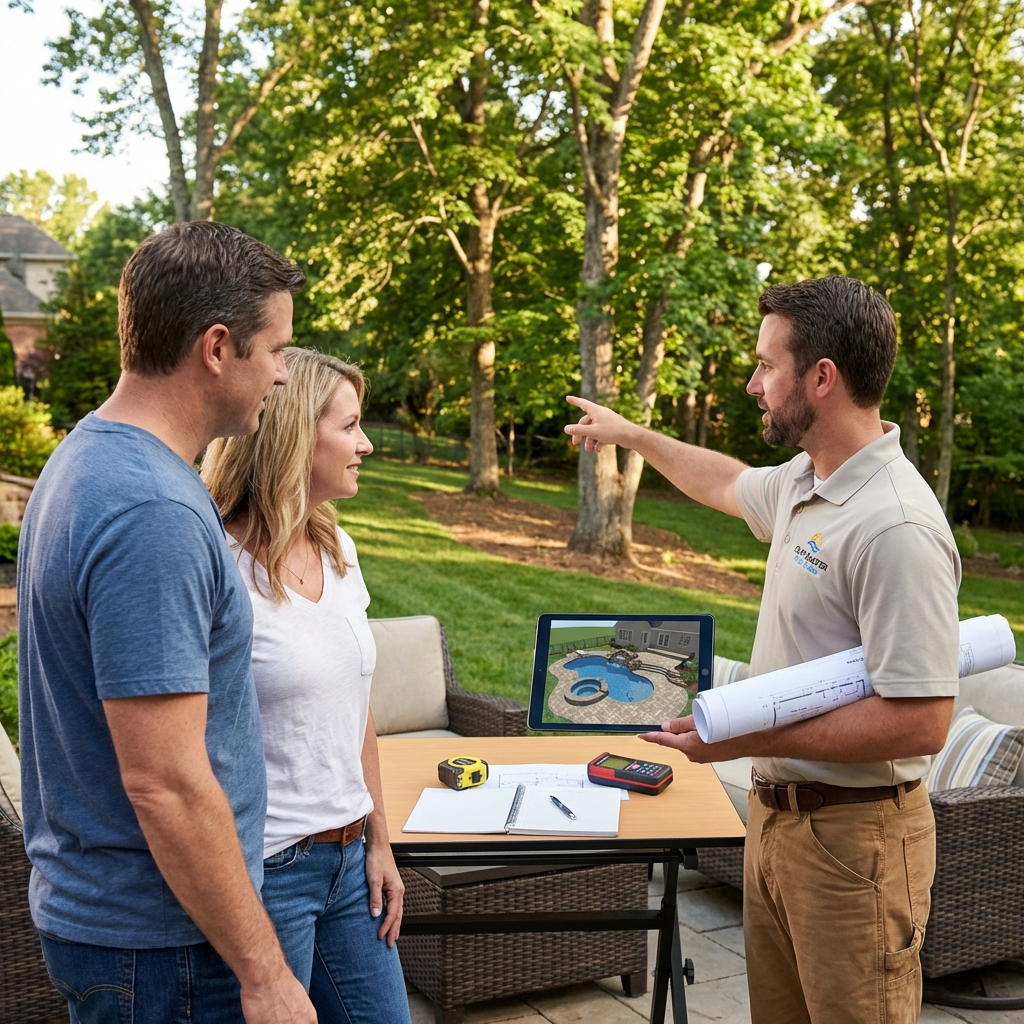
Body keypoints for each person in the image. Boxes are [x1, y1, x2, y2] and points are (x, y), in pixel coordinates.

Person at [565, 276, 959, 1024]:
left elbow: (921, 722)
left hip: (859, 842)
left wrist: (742, 737)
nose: (752, 384)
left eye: (766, 366)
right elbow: (731, 484)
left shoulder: (896, 525)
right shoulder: (811, 480)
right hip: (777, 824)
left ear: (821, 378)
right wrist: (633, 436)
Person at [18, 222, 317, 1024]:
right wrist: (265, 972)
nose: (284, 376)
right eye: (277, 350)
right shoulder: (151, 508)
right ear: (217, 347)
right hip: (162, 946)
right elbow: (166, 782)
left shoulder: (89, 455)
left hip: (130, 931)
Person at [201, 348, 411, 1024]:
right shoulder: (219, 566)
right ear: (295, 434)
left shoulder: (338, 551)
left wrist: (380, 841)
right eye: (349, 426)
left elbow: (357, 712)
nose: (366, 444)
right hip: (269, 874)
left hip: (352, 865)